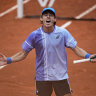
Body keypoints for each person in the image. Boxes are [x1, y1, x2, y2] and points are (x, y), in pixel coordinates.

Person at [0, 7, 96, 96]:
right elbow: (23, 53)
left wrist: (88, 56)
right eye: (45, 15)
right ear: (41, 19)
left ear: (54, 19)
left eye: (51, 15)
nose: (48, 16)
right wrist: (8, 60)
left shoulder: (63, 33)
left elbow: (76, 48)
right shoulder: (34, 35)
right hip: (42, 77)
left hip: (60, 76)